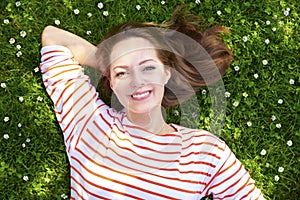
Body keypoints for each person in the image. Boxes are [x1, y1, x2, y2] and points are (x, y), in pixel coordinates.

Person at [40, 6, 264, 200]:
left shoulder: (204, 151)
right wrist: (111, 66)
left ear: (166, 73)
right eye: (122, 74)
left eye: (148, 67)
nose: (137, 82)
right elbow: (53, 38)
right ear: (111, 83)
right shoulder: (90, 123)